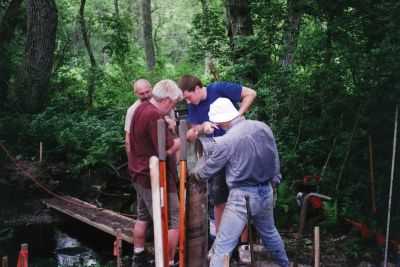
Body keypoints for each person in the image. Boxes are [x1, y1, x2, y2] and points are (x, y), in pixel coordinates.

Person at [191, 98, 289, 267]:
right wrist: (274, 182)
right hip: (266, 191)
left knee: (223, 245)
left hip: (241, 197)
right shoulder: (263, 127)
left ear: (222, 119)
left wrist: (195, 175)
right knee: (270, 233)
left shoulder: (227, 140)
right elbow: (275, 159)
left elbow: (211, 167)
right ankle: (285, 264)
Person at [178, 74, 256, 258]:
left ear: (198, 88)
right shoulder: (193, 105)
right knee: (219, 197)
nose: (188, 101)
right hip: (216, 152)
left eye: (189, 96)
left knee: (242, 194)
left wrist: (237, 116)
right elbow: (194, 126)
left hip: (237, 149)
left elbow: (251, 93)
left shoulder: (219, 88)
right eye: (185, 99)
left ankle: (244, 246)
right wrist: (202, 126)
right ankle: (222, 243)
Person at [128, 79, 183, 267]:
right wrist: (186, 137)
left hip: (138, 174)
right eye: (174, 103)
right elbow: (166, 149)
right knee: (172, 223)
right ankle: (167, 262)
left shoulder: (140, 109)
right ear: (166, 99)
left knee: (142, 217)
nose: (174, 107)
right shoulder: (154, 116)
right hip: (154, 178)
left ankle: (138, 256)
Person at [124, 79, 176, 160]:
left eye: (148, 91)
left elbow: (173, 130)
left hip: (166, 152)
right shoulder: (132, 110)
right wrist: (131, 162)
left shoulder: (166, 103)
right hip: (145, 157)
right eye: (141, 94)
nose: (146, 96)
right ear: (136, 94)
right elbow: (128, 138)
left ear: (152, 89)